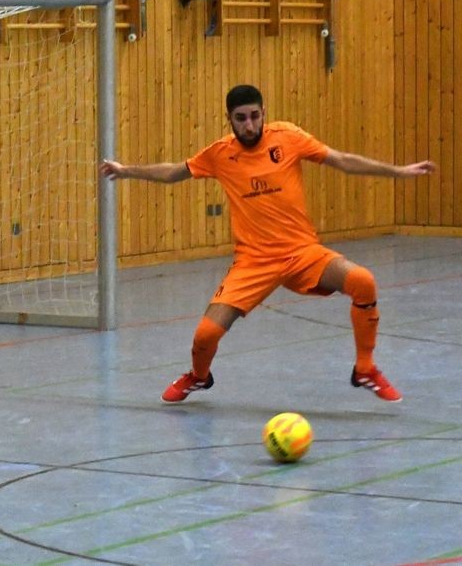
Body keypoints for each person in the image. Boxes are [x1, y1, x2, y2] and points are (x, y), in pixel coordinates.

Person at [98, 84, 437, 404]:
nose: (249, 125)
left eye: (255, 116)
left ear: (264, 113)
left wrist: (400, 171)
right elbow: (174, 171)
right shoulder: (220, 154)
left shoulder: (288, 138)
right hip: (254, 262)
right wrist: (126, 171)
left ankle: (365, 369)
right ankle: (199, 376)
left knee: (363, 281)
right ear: (229, 119)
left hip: (302, 252)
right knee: (205, 335)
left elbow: (342, 160)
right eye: (241, 118)